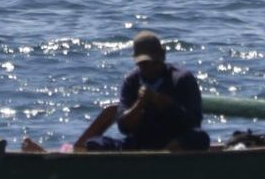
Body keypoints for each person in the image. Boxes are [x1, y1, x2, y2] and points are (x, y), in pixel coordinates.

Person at [23, 31, 208, 153]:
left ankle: (163, 159)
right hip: (141, 143)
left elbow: (193, 121)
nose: (148, 68)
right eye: (143, 64)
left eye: (153, 63)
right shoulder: (132, 81)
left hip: (173, 142)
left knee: (199, 138)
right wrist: (140, 104)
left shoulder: (181, 79)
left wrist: (166, 105)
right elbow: (124, 127)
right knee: (94, 144)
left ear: (163, 58)